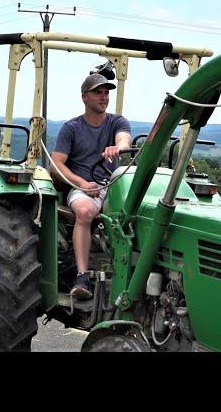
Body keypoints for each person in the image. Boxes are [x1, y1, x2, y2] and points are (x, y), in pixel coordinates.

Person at [51, 72, 132, 299]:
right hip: (83, 187)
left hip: (114, 185)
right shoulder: (72, 128)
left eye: (106, 93)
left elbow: (124, 139)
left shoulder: (117, 122)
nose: (104, 97)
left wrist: (119, 148)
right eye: (98, 92)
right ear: (84, 97)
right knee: (85, 212)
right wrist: (82, 183)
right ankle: (82, 276)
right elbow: (56, 163)